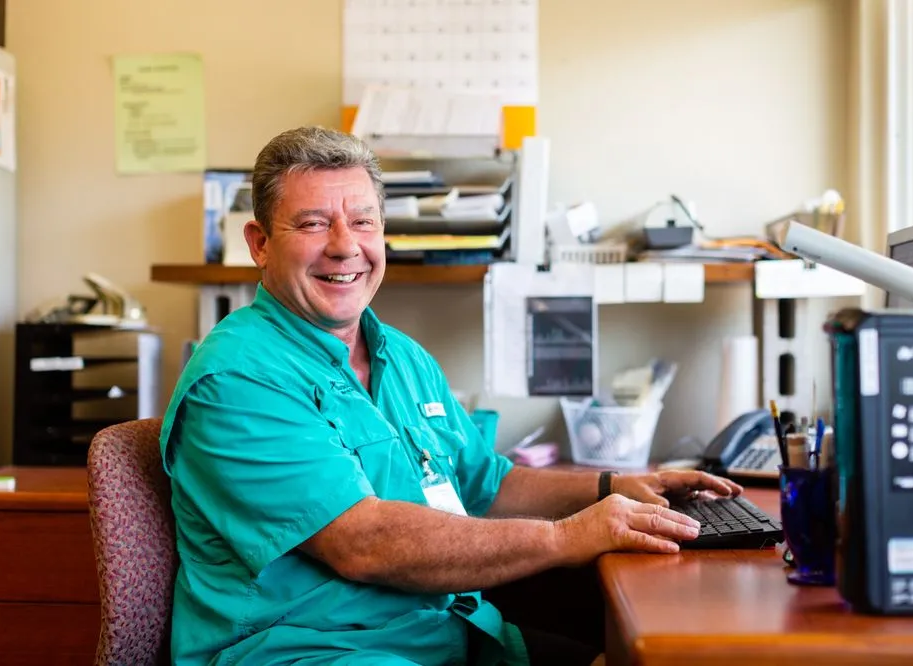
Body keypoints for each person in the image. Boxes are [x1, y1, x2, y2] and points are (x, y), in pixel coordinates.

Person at [159, 126, 744, 666]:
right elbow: (364, 541)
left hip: (447, 635)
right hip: (315, 650)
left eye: (362, 222)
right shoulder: (237, 380)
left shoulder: (402, 357)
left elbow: (483, 483)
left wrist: (612, 488)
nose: (344, 246)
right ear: (260, 243)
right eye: (313, 224)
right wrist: (569, 537)